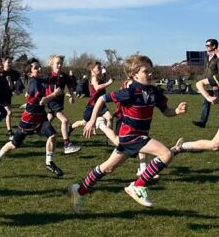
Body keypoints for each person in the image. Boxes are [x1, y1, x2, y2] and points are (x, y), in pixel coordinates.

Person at [67, 54, 187, 211]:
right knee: (166, 154)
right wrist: (91, 121)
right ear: (134, 74)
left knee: (107, 168)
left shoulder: (154, 92)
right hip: (131, 136)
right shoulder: (130, 92)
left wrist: (176, 111)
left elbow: (166, 111)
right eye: (146, 71)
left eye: (151, 71)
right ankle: (137, 186)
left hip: (134, 137)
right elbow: (101, 99)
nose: (150, 74)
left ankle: (78, 190)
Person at [0, 59, 65, 179]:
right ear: (29, 74)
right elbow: (42, 100)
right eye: (36, 68)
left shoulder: (40, 80)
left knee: (53, 136)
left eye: (40, 67)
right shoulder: (34, 84)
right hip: (28, 120)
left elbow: (51, 79)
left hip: (40, 118)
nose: (39, 69)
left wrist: (57, 68)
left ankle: (49, 162)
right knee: (14, 145)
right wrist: (54, 94)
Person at [44, 55, 80, 154]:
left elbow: (70, 86)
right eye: (57, 63)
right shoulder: (49, 77)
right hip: (52, 103)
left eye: (61, 63)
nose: (59, 65)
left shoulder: (64, 76)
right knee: (65, 120)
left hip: (58, 103)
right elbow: (44, 90)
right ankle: (67, 144)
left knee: (48, 120)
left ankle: (35, 128)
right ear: (52, 65)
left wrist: (72, 96)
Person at [193, 39, 219, 128]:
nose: (206, 47)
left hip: (216, 85)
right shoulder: (206, 57)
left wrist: (217, 84)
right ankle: (202, 122)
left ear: (214, 46)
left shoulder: (218, 58)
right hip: (206, 83)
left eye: (207, 45)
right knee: (206, 102)